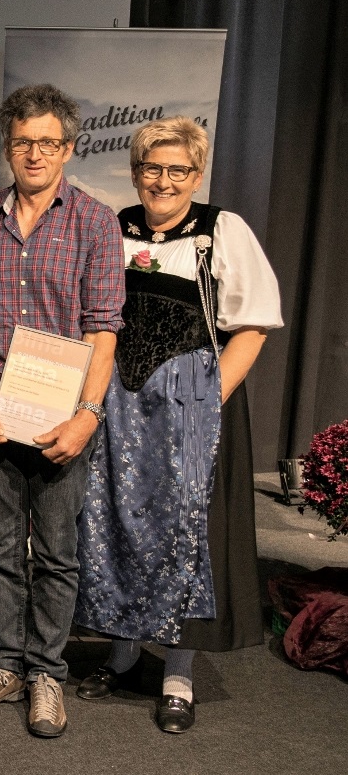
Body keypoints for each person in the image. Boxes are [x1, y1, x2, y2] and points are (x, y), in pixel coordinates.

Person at [73, 116, 283, 733]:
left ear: (197, 174)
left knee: (186, 530)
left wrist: (209, 395)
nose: (163, 181)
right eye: (151, 169)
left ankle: (179, 672)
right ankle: (121, 649)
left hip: (190, 406)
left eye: (177, 171)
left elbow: (252, 325)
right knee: (116, 521)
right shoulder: (113, 227)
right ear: (136, 173)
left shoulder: (222, 230)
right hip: (120, 402)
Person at [0, 84, 124, 738]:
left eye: (47, 142)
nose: (34, 153)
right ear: (6, 147)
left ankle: (47, 671)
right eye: (22, 141)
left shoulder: (95, 222)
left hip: (62, 418)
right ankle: (4, 662)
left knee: (55, 551)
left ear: (69, 149)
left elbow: (104, 328)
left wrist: (86, 413)